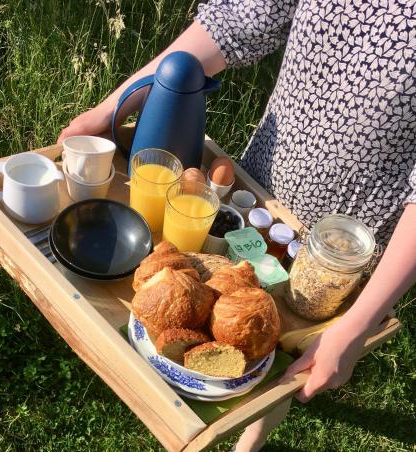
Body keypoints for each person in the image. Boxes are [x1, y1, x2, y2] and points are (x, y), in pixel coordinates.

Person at [59, 0, 416, 450]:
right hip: (259, 191)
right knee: (251, 326)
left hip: (341, 247)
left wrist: (353, 328)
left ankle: (252, 438)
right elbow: (235, 21)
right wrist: (111, 109)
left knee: (276, 348)